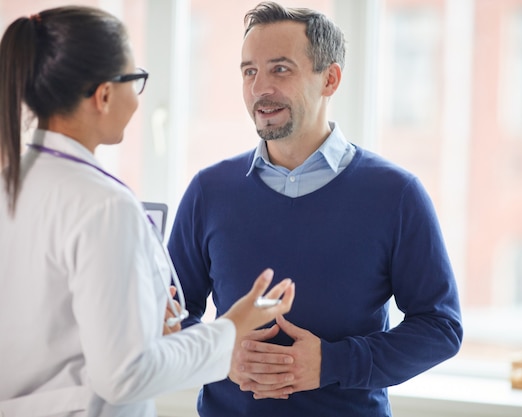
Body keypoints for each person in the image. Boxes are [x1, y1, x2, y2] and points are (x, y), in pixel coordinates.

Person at [167, 2, 462, 416]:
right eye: (249, 71)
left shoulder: (396, 194)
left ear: (331, 78)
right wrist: (218, 353)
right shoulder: (208, 191)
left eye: (280, 69)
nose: (259, 88)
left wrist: (332, 363)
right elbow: (168, 314)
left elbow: (441, 328)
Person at [0, 6, 295, 417]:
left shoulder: (13, 180)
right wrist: (232, 327)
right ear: (103, 95)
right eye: (134, 80)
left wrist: (142, 325)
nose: (138, 102)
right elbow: (123, 377)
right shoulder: (103, 205)